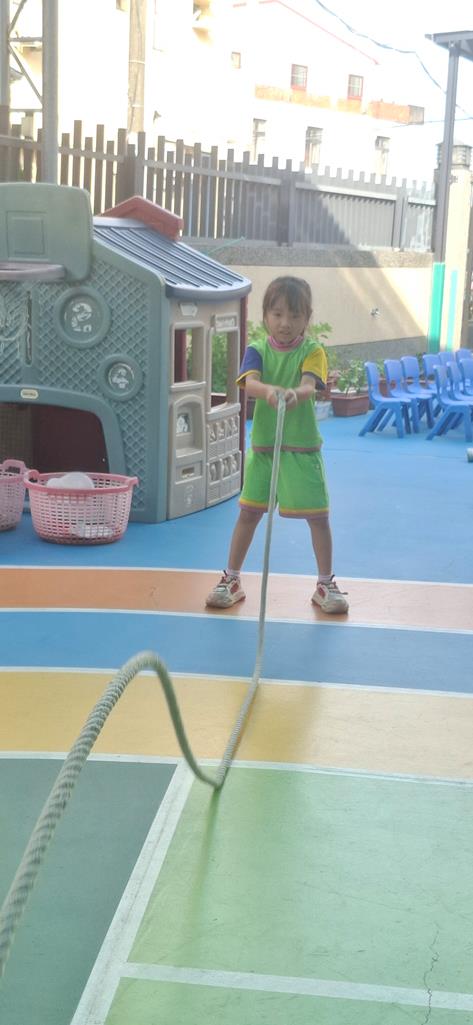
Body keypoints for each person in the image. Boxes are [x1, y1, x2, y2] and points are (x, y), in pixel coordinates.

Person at [206, 275, 348, 614]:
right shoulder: (256, 350)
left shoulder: (312, 351)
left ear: (307, 318)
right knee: (248, 513)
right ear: (265, 316)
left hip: (302, 450)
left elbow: (309, 385)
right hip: (265, 450)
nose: (286, 323)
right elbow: (250, 384)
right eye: (278, 314)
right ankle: (231, 579)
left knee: (319, 518)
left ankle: (325, 584)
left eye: (295, 316)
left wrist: (295, 394)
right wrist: (269, 391)